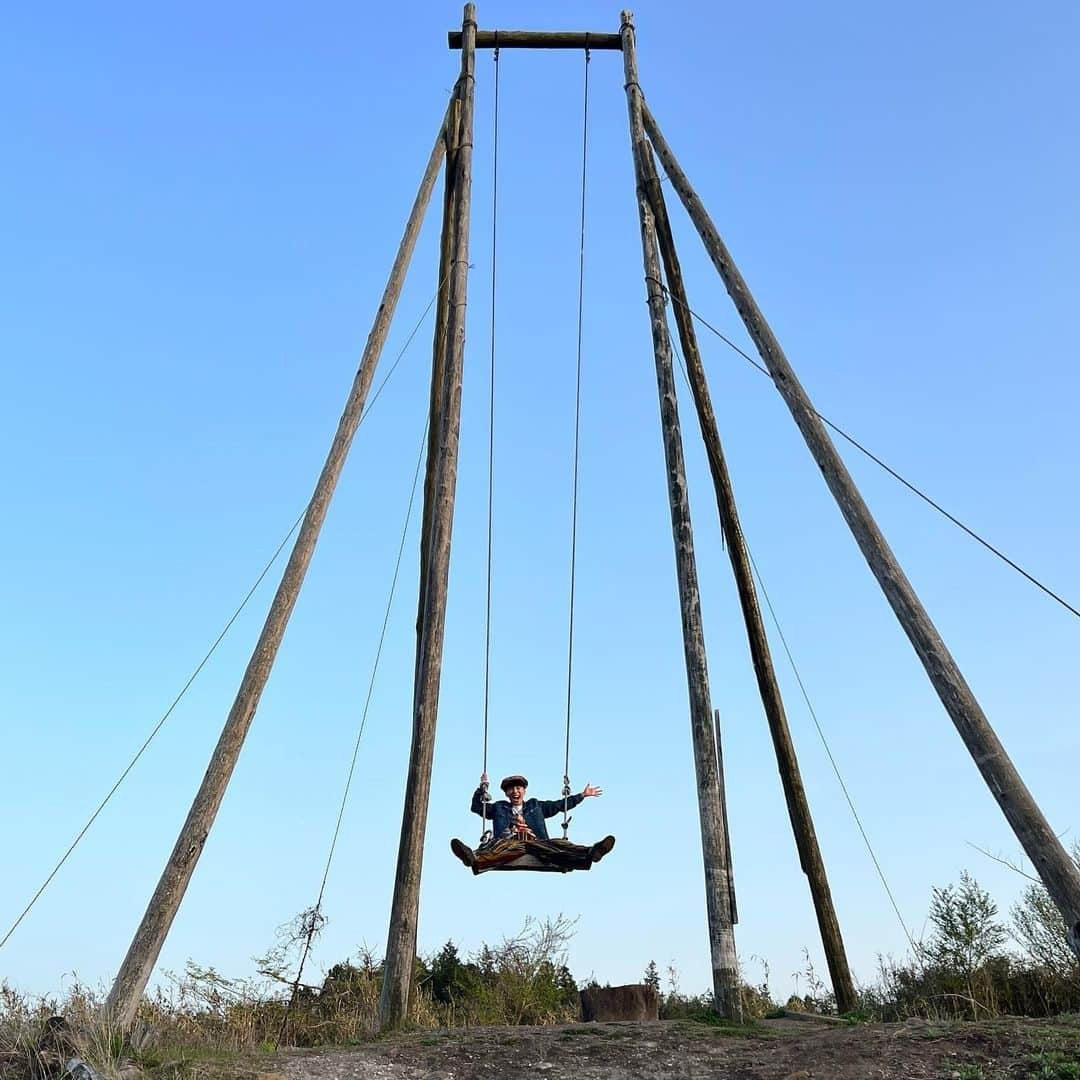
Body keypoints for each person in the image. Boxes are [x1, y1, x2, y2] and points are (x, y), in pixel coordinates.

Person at [450, 773, 615, 874]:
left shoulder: (536, 806)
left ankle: (592, 852)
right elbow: (477, 807)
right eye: (511, 789)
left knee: (558, 846)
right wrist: (481, 789)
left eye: (518, 788)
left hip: (536, 843)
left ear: (524, 790)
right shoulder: (499, 808)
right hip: (512, 844)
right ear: (506, 793)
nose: (515, 791)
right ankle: (472, 857)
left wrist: (581, 795)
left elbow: (559, 805)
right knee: (497, 848)